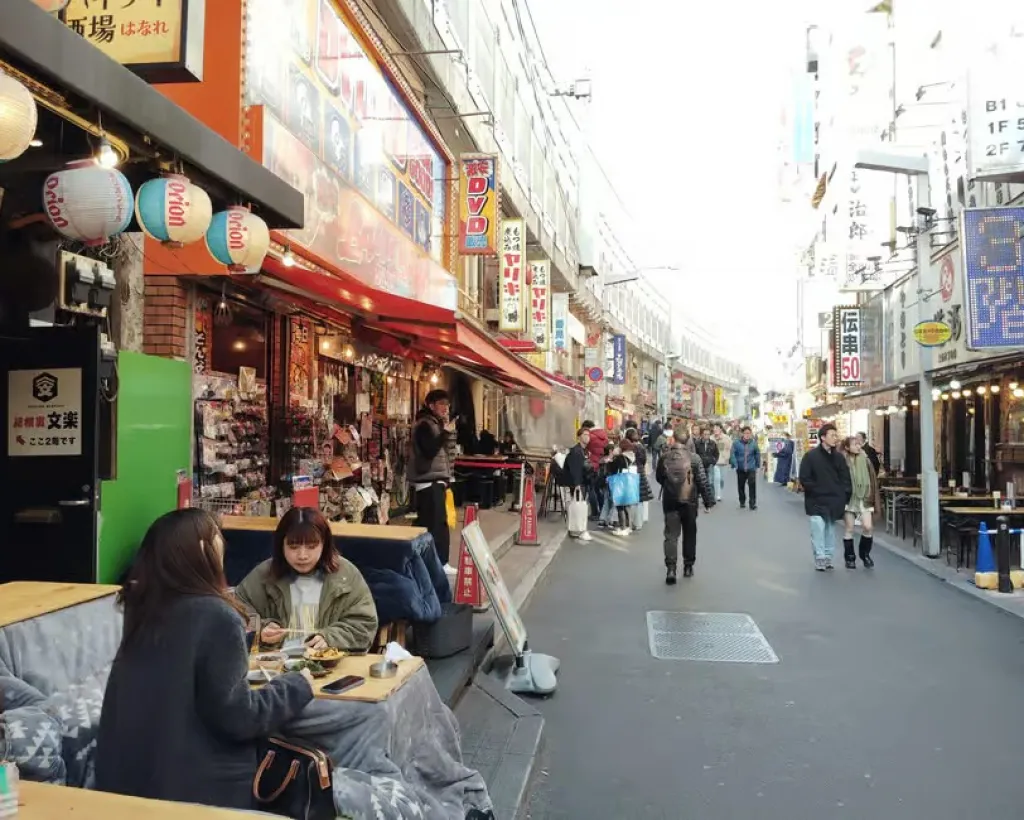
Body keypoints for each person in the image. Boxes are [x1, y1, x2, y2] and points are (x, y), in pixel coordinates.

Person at [95, 509, 314, 810]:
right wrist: (297, 685)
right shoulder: (217, 615)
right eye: (218, 537)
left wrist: (249, 642)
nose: (223, 544)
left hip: (127, 785)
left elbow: (177, 666)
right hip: (197, 794)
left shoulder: (142, 607)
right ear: (203, 548)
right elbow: (238, 717)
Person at [234, 507, 379, 652]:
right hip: (276, 665)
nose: (302, 555)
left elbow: (365, 625)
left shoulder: (346, 575)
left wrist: (330, 638)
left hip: (330, 665)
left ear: (324, 544)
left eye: (311, 547)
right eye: (293, 546)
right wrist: (260, 630)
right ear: (281, 545)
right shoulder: (264, 574)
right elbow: (235, 611)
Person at [656, 427, 715, 583]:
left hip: (670, 501)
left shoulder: (665, 457)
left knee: (670, 535)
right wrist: (708, 501)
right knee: (690, 533)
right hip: (689, 500)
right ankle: (688, 566)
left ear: (673, 439)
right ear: (688, 440)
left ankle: (671, 569)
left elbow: (659, 477)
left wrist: (669, 486)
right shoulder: (694, 458)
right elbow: (702, 481)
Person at [409, 389, 457, 574]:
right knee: (437, 526)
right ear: (431, 405)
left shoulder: (433, 423)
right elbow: (429, 450)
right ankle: (440, 564)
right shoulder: (424, 424)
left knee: (431, 524)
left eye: (447, 404)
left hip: (434, 481)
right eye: (441, 404)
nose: (445, 408)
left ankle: (431, 564)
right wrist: (445, 433)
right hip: (428, 481)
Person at [798, 423, 852, 571]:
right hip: (816, 499)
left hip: (834, 499)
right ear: (822, 437)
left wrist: (844, 495)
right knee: (817, 526)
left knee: (829, 528)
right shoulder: (811, 456)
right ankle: (820, 557)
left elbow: (845, 478)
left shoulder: (839, 458)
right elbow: (804, 477)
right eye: (832, 435)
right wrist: (814, 489)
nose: (835, 438)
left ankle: (828, 556)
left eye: (836, 435)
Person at [842, 435, 881, 569]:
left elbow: (872, 479)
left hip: (864, 497)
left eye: (859, 444)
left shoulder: (866, 460)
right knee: (849, 528)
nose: (858, 447)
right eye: (854, 444)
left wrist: (873, 496)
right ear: (847, 447)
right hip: (849, 498)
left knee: (868, 527)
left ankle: (865, 554)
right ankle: (850, 558)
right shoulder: (843, 461)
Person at [563, 427, 593, 541]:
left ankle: (577, 529)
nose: (587, 437)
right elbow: (575, 469)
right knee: (579, 506)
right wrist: (577, 484)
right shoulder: (576, 451)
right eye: (585, 434)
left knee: (580, 506)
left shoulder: (583, 450)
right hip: (578, 483)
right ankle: (581, 530)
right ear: (579, 436)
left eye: (588, 435)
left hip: (582, 482)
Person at [625, 428, 653, 530]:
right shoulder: (641, 447)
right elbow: (644, 460)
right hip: (640, 472)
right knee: (640, 499)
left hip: (630, 473)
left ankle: (630, 521)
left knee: (631, 499)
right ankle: (638, 523)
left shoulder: (627, 447)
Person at [729, 426, 762, 510]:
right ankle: (742, 501)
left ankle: (752, 503)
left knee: (752, 485)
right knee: (741, 486)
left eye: (749, 433)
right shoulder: (736, 443)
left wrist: (758, 465)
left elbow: (757, 454)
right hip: (740, 468)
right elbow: (732, 454)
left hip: (751, 468)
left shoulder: (754, 443)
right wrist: (735, 464)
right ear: (742, 434)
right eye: (746, 433)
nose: (747, 435)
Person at [582, 420, 609, 517]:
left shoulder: (591, 437)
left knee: (591, 488)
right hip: (602, 464)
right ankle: (602, 510)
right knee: (598, 488)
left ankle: (595, 512)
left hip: (592, 464)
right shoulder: (603, 435)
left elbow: (585, 449)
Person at [694, 427, 720, 493]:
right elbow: (695, 453)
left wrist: (714, 461)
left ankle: (711, 497)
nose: (706, 436)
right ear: (702, 434)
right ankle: (704, 496)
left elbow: (716, 454)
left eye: (708, 434)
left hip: (710, 465)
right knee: (702, 482)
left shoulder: (713, 443)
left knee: (710, 482)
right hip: (700, 465)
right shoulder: (697, 443)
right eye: (705, 434)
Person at [711, 423, 732, 502]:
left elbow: (730, 447)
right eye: (714, 428)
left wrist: (727, 457)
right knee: (717, 478)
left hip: (724, 461)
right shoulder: (711, 438)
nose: (715, 429)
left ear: (720, 429)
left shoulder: (726, 438)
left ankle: (719, 489)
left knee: (722, 480)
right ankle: (718, 495)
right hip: (715, 462)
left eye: (717, 428)